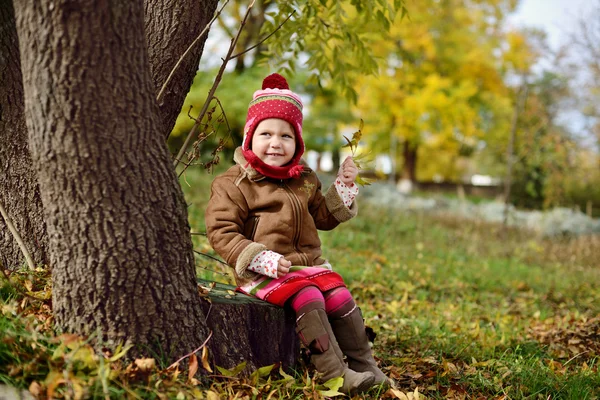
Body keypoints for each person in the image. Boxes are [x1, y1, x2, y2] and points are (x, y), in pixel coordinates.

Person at [205, 73, 389, 394]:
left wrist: (343, 187)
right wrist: (258, 257)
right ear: (249, 137)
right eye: (266, 133)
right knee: (310, 296)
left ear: (297, 143)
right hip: (262, 271)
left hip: (306, 268)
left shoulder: (303, 178)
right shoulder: (234, 183)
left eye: (286, 136)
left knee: (340, 295)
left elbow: (323, 217)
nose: (276, 143)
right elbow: (221, 231)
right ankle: (334, 373)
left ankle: (365, 364)